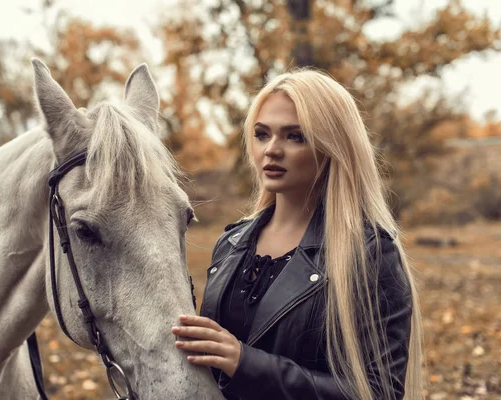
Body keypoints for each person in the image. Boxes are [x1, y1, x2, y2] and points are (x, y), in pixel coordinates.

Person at [172, 68, 423, 400]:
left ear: (333, 146)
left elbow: (378, 392)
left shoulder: (370, 253)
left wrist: (245, 363)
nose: (272, 150)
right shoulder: (231, 244)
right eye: (262, 134)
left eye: (295, 136)